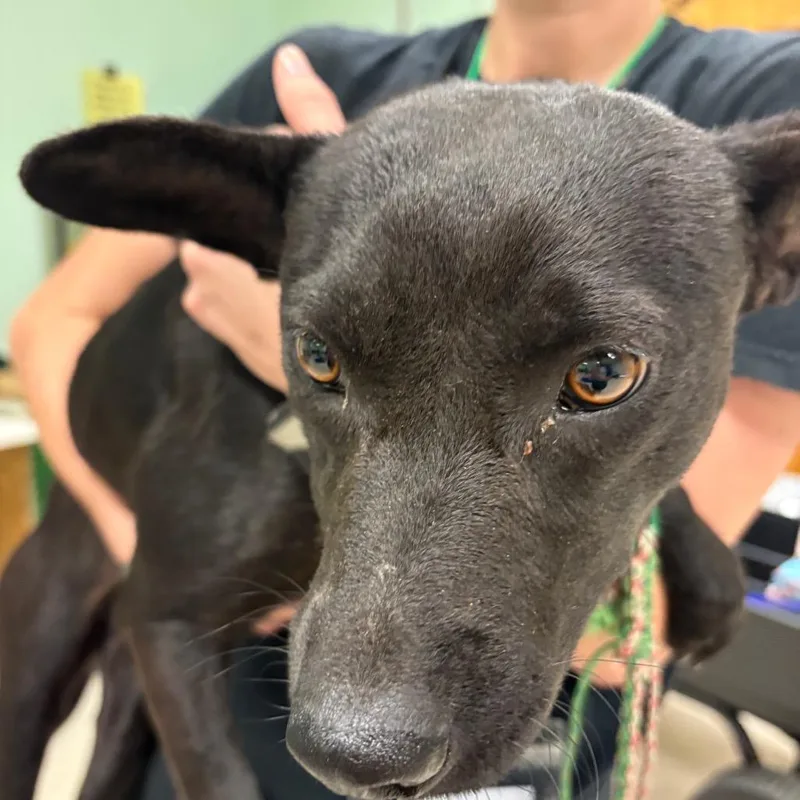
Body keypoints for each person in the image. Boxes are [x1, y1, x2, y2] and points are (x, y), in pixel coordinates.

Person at [10, 0, 800, 797]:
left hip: (538, 733)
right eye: (320, 357)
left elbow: (646, 623)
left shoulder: (764, 87)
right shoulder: (312, 72)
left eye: (597, 378)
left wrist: (277, 337)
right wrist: (125, 532)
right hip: (220, 654)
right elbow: (56, 319)